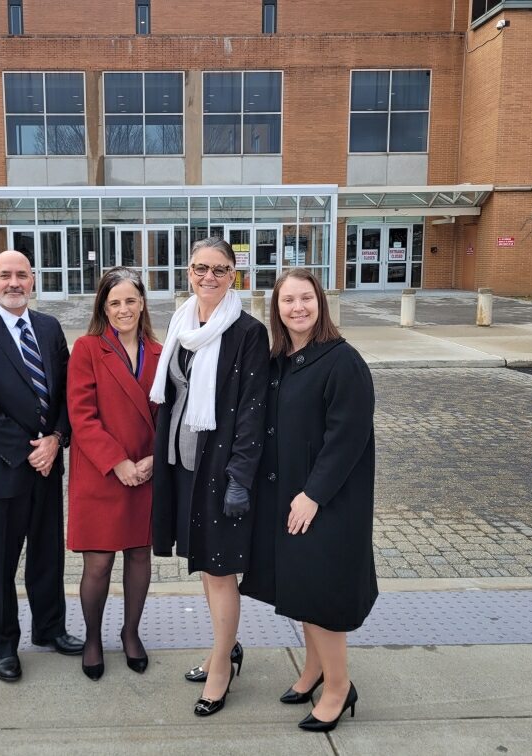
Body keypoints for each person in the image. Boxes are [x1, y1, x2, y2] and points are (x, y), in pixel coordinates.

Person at [240, 268, 378, 733]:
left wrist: (314, 495)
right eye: (287, 301)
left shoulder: (343, 361)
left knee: (321, 597)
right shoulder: (282, 360)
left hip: (327, 501)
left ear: (320, 303)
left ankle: (339, 687)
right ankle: (313, 671)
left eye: (306, 299)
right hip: (289, 496)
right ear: (275, 310)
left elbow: (348, 437)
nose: (297, 308)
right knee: (300, 591)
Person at [0, 250, 84, 683]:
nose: (14, 283)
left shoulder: (48, 328)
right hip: (0, 470)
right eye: (5, 275)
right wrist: (31, 450)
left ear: (33, 280)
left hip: (47, 467)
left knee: (47, 558)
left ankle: (49, 630)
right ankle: (4, 646)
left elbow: (66, 392)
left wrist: (57, 439)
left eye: (21, 275)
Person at [150, 237, 269, 717]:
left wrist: (240, 475)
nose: (209, 278)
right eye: (201, 268)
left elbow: (252, 412)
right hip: (183, 468)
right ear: (188, 271)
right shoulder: (182, 323)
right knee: (204, 562)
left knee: (220, 569)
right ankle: (226, 646)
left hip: (220, 472)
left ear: (233, 276)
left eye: (220, 270)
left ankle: (222, 667)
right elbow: (172, 395)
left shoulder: (247, 333)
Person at [66, 267, 163, 681]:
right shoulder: (87, 349)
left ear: (142, 303)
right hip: (103, 473)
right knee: (99, 564)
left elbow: (172, 415)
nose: (124, 309)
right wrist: (118, 462)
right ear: (103, 309)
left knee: (140, 555)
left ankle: (130, 632)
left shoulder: (161, 352)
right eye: (115, 303)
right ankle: (92, 638)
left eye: (130, 300)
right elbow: (82, 417)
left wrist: (154, 459)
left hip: (145, 471)